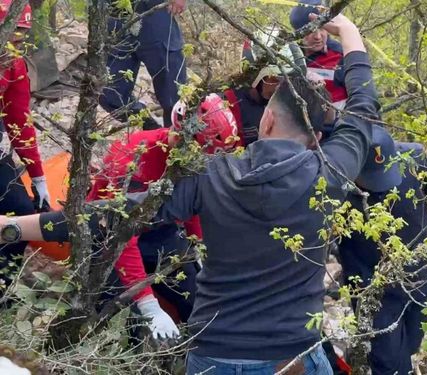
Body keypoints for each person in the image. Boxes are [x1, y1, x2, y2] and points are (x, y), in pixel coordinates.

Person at [0, 14, 377, 374]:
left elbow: (107, 215)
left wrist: (14, 227)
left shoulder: (212, 177)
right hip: (291, 357)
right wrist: (347, 30)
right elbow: (362, 106)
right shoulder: (331, 172)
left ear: (266, 119)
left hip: (217, 355)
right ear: (317, 139)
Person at [89, 93, 239, 339]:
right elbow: (119, 233)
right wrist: (147, 302)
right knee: (130, 325)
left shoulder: (190, 160)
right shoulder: (131, 161)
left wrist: (195, 243)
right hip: (109, 236)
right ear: (185, 140)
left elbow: (190, 202)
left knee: (199, 302)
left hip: (159, 232)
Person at [340, 126, 427, 374]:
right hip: (372, 289)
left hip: (418, 277)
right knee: (388, 362)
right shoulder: (335, 178)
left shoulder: (412, 161)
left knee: (413, 344)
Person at [0, 0, 50, 290]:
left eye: (21, 37)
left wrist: (39, 178)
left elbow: (20, 123)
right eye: (10, 35)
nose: (14, 45)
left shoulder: (15, 66)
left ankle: (2, 285)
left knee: (21, 212)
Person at [99, 0, 188, 130]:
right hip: (115, 14)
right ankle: (155, 132)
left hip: (154, 12)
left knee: (174, 97)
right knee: (109, 95)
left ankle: (178, 143)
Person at [223, 27, 306, 146]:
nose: (280, 87)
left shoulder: (291, 100)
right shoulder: (229, 103)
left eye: (288, 81)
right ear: (254, 77)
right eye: (274, 80)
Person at [290, 0, 348, 111]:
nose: (318, 36)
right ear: (297, 32)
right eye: (310, 30)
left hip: (337, 124)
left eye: (322, 28)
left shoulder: (341, 55)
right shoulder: (289, 54)